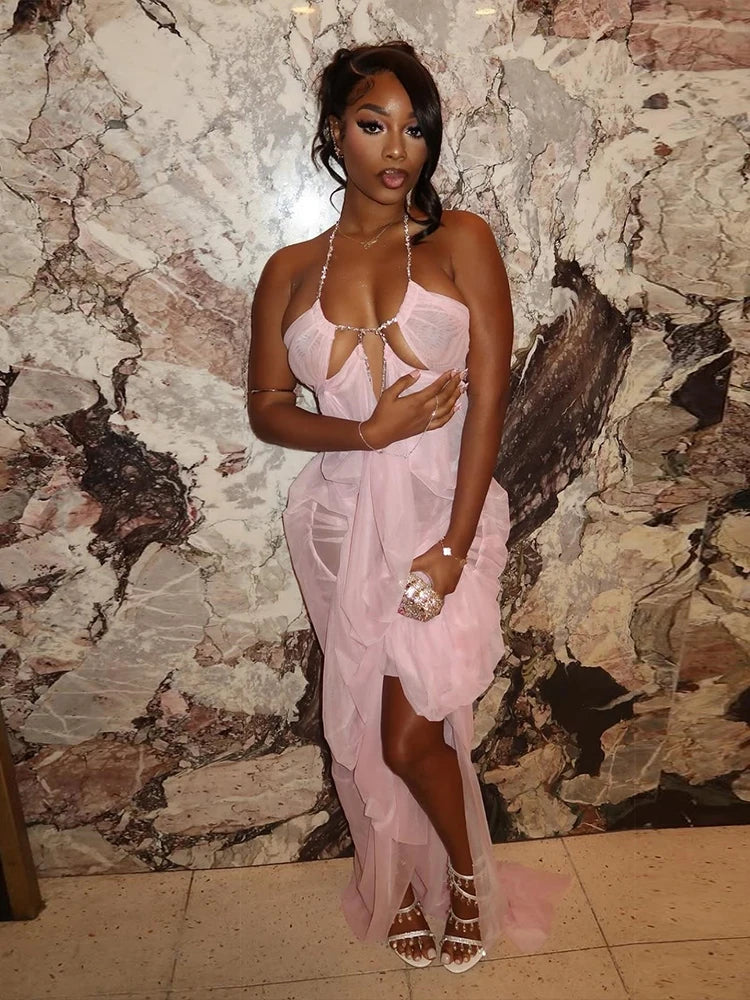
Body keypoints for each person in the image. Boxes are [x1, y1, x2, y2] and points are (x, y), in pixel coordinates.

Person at [249, 41, 562, 974]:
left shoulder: (461, 238)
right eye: (373, 124)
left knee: (408, 727)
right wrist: (365, 432)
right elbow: (267, 410)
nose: (397, 149)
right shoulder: (290, 268)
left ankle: (467, 875)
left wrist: (456, 546)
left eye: (415, 128)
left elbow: (491, 400)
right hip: (340, 520)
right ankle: (403, 878)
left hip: (440, 514)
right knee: (363, 723)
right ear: (333, 132)